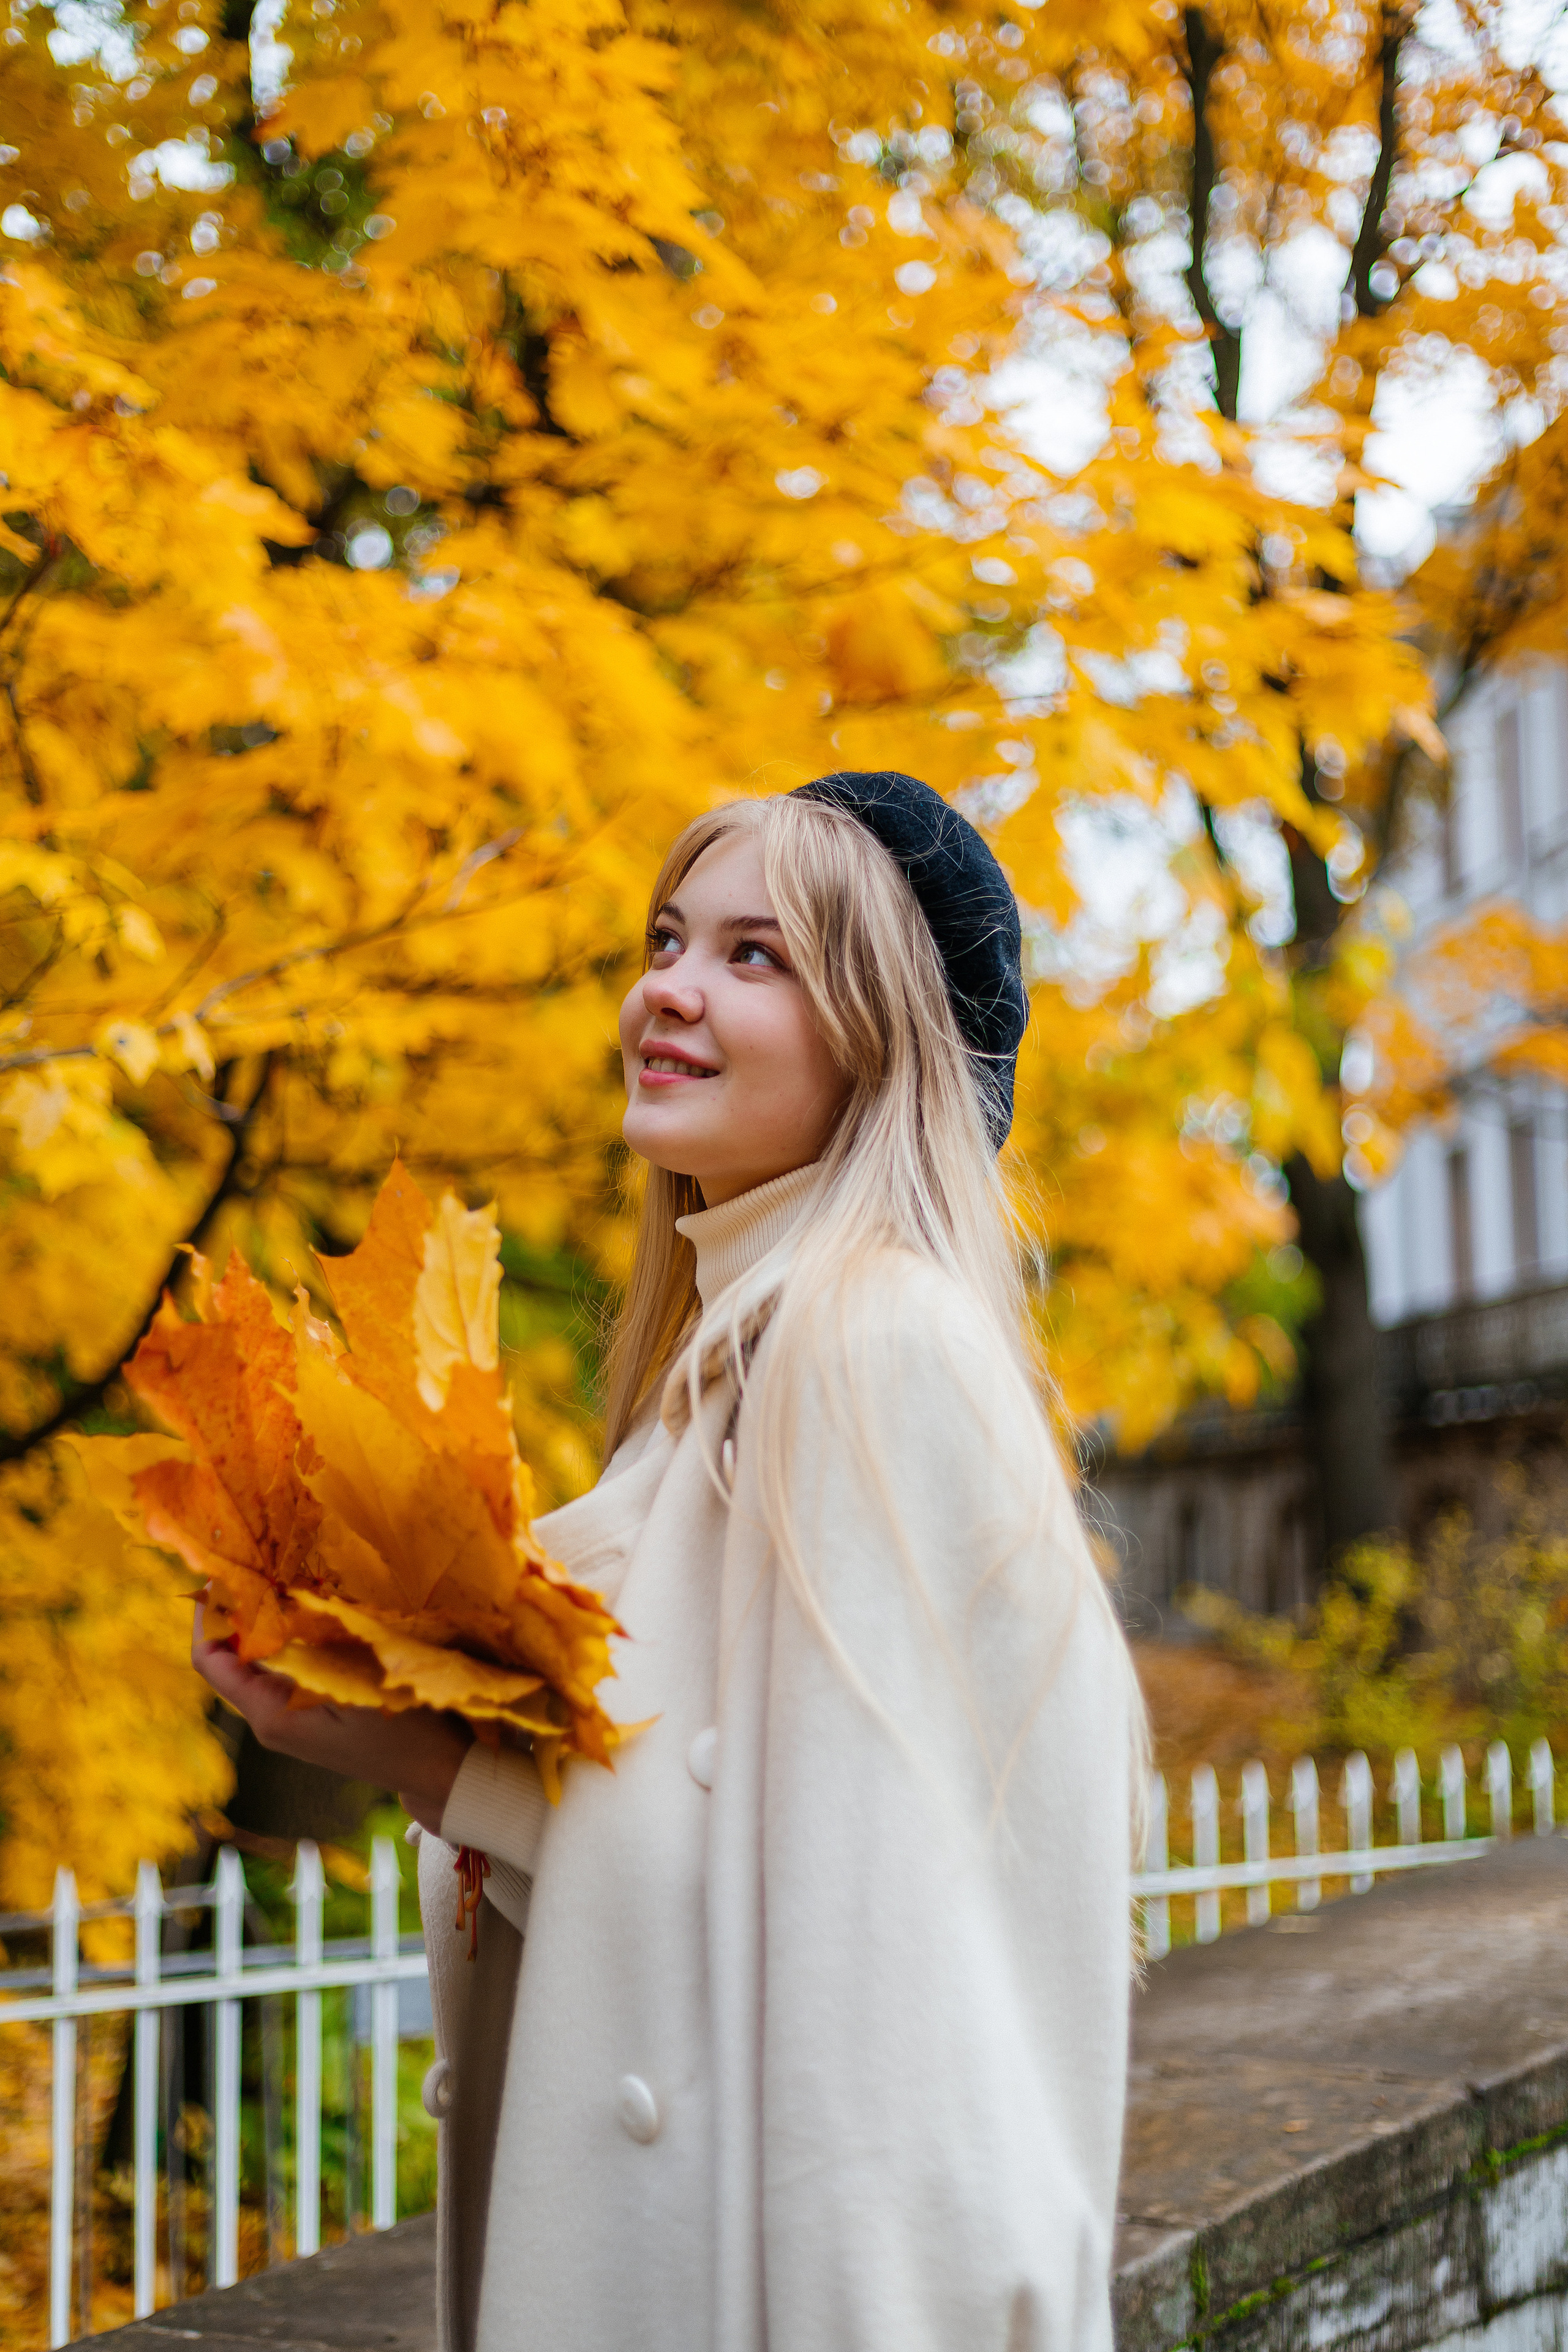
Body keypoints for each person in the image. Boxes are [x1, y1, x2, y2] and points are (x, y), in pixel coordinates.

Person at [194, 772, 1147, 2352]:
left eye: (755, 955)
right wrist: (393, 1739)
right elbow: (727, 1873)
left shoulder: (869, 1344)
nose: (669, 989)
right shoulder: (733, 1366)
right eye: (667, 939)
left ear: (883, 1037)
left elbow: (884, 2031)